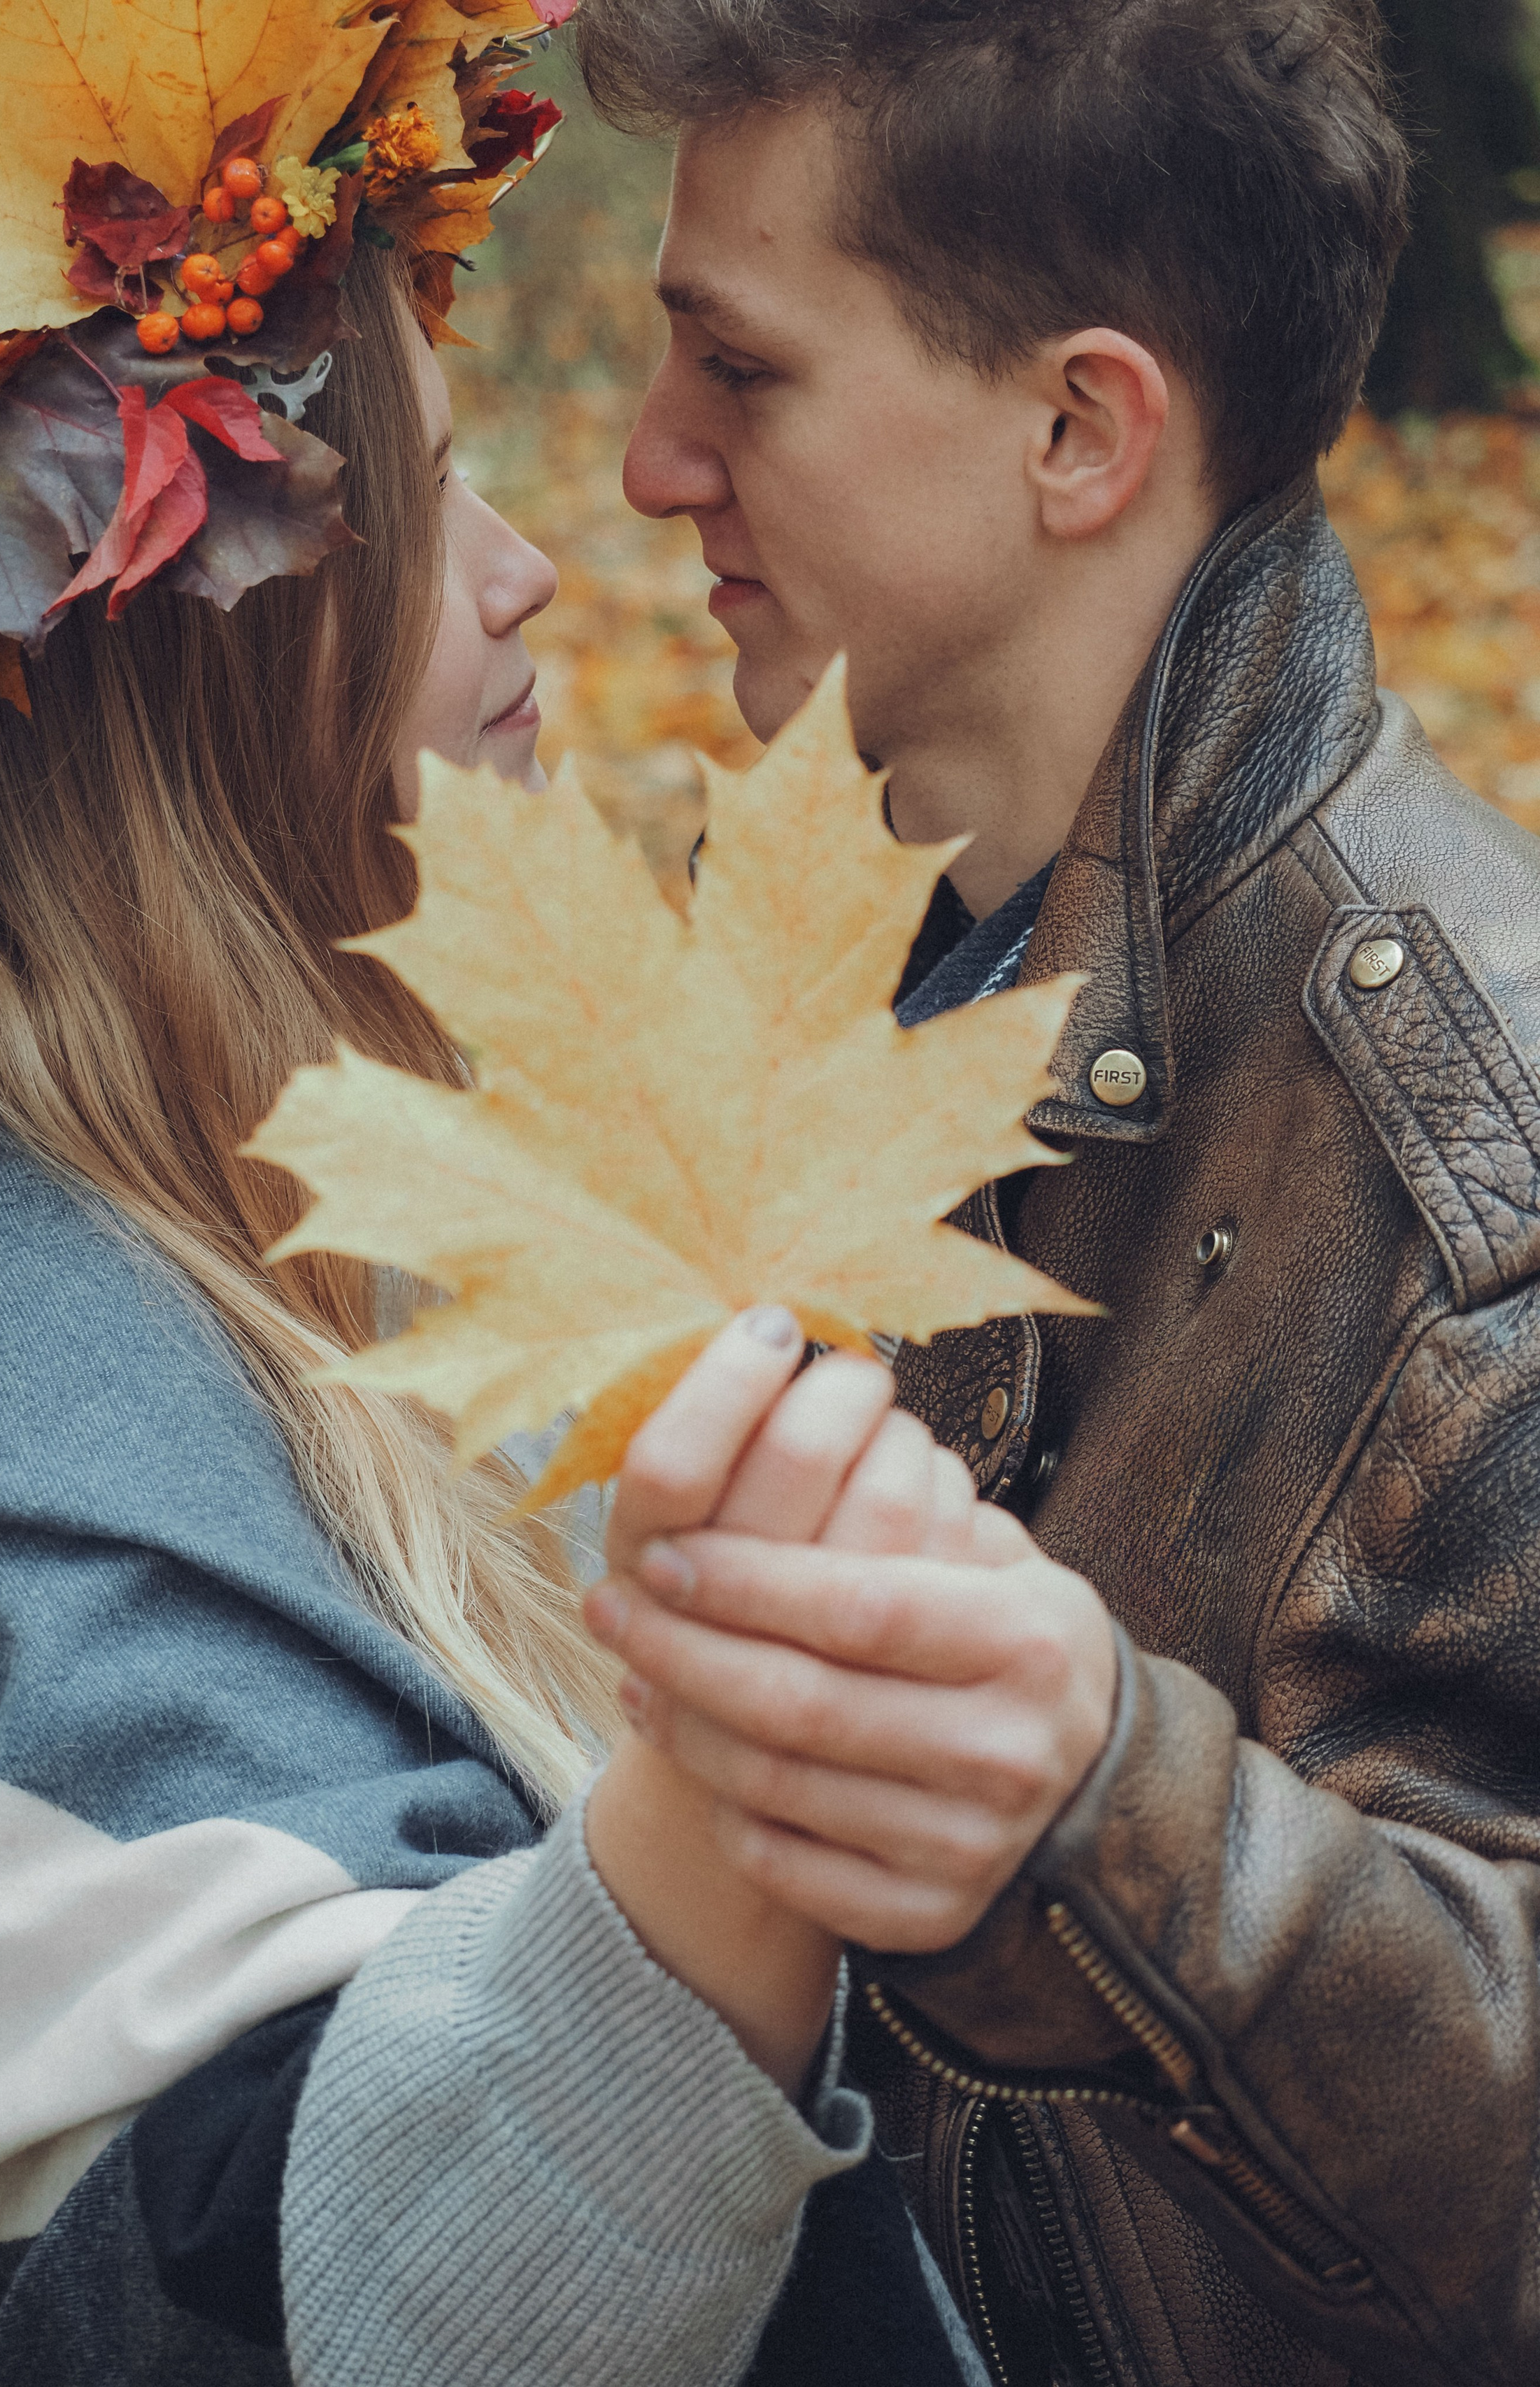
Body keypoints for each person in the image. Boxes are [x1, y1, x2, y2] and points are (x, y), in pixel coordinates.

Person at [0, 21, 1082, 2381]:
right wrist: (744, 1793)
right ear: (173, 641)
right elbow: (325, 2293)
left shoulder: (290, 1209)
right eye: (434, 509)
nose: (537, 575)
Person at [568, 0, 1540, 2380]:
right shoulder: (800, 933)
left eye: (743, 371)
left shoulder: (1475, 1160)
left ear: (1079, 428)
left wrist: (1116, 1814)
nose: (642, 463)